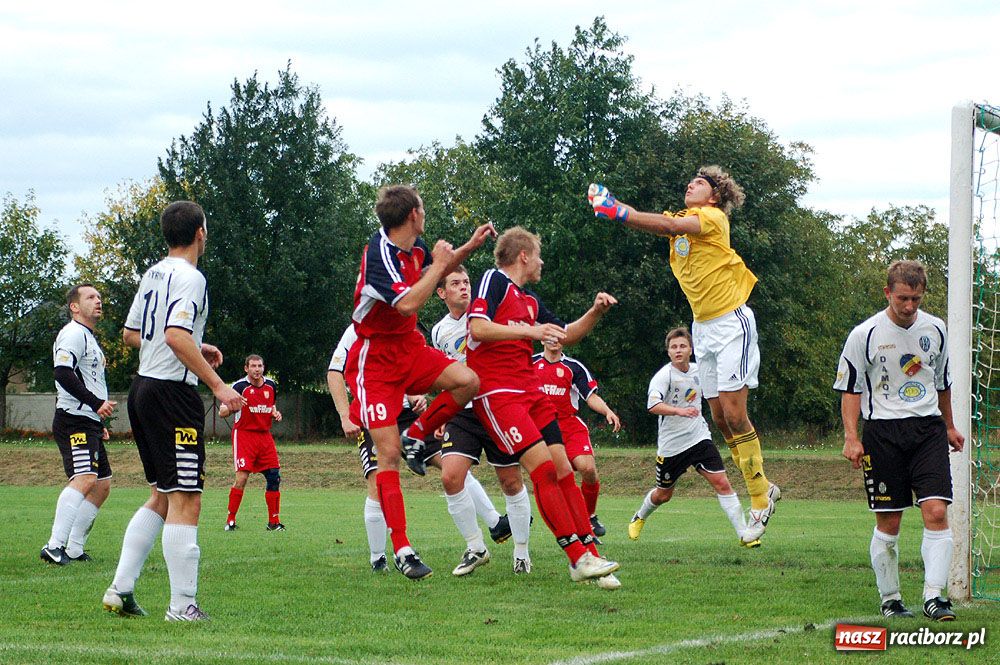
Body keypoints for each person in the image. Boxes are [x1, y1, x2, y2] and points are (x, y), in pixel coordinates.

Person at [589, 169, 780, 543]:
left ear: (712, 197)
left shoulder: (712, 217)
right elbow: (660, 225)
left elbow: (662, 223)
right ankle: (764, 488)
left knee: (736, 413)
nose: (689, 185)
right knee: (721, 418)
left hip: (731, 323)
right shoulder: (680, 223)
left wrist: (619, 212)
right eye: (690, 181)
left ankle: (760, 497)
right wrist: (612, 207)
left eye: (699, 183)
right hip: (703, 328)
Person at [344, 184, 496, 580]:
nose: (425, 214)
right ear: (413, 214)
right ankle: (402, 549)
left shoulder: (416, 246)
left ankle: (418, 434)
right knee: (387, 455)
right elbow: (410, 301)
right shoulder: (379, 253)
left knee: (467, 381)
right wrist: (443, 261)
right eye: (423, 208)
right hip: (374, 360)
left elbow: (437, 270)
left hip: (408, 347)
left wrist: (467, 247)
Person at [102, 201, 244, 621]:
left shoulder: (152, 273)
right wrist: (218, 386)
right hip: (170, 395)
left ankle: (120, 589)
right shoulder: (191, 277)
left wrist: (194, 346)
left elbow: (133, 334)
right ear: (201, 232)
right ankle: (182, 606)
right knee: (186, 499)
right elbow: (174, 334)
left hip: (143, 389)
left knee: (161, 496)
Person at [466, 226, 621, 587]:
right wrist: (530, 332)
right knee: (545, 470)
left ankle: (590, 556)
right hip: (499, 394)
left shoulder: (531, 300)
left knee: (564, 470)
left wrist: (595, 312)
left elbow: (564, 333)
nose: (541, 261)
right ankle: (576, 557)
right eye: (538, 254)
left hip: (530, 392)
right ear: (523, 255)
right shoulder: (495, 280)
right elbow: (478, 328)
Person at [835, 260, 964, 621]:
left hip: (927, 430)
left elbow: (942, 383)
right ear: (887, 292)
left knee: (937, 511)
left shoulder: (935, 329)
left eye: (916, 300)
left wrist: (950, 426)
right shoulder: (865, 334)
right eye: (903, 298)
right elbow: (850, 389)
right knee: (888, 524)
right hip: (883, 434)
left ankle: (935, 598)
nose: (909, 307)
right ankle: (891, 599)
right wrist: (851, 437)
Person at [430, 265, 530, 575]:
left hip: (495, 406)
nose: (464, 287)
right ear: (441, 292)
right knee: (450, 477)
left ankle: (521, 553)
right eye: (455, 283)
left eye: (466, 282)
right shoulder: (438, 331)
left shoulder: (486, 316)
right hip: (462, 412)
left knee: (510, 482)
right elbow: (443, 374)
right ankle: (476, 547)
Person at [627, 326, 752, 546]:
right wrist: (679, 411)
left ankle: (744, 534)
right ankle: (640, 516)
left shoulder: (699, 372)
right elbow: (652, 404)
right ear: (668, 352)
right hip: (671, 446)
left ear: (690, 350)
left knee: (722, 482)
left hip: (699, 438)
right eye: (673, 347)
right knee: (663, 495)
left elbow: (718, 392)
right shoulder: (663, 376)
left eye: (682, 346)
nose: (678, 350)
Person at [327, 322, 430, 573]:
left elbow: (417, 370)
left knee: (450, 462)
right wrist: (344, 415)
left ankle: (482, 537)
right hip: (372, 414)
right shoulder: (355, 330)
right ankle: (378, 558)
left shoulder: (406, 326)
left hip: (405, 415)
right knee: (376, 480)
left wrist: (418, 394)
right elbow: (334, 372)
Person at [41, 284, 116, 565]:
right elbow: (62, 372)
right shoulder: (73, 333)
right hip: (73, 419)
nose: (98, 301)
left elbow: (89, 377)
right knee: (84, 479)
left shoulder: (88, 337)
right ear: (74, 306)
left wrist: (97, 418)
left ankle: (73, 548)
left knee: (102, 484)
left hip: (89, 421)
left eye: (99, 297)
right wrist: (95, 404)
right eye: (90, 297)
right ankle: (53, 545)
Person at [532, 340, 620, 537]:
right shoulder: (530, 364)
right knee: (555, 478)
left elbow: (590, 396)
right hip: (542, 428)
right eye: (549, 335)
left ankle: (589, 518)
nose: (553, 340)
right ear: (541, 338)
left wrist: (607, 412)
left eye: (558, 336)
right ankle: (575, 527)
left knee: (587, 469)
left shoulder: (574, 367)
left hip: (569, 426)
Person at [219, 354, 284, 531]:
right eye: (253, 366)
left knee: (274, 476)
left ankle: (274, 522)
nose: (257, 369)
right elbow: (222, 412)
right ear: (246, 368)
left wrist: (274, 413)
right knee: (241, 478)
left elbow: (271, 406)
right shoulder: (239, 387)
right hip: (244, 435)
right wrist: (234, 406)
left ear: (264, 368)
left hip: (264, 436)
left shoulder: (271, 385)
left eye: (260, 366)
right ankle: (230, 521)